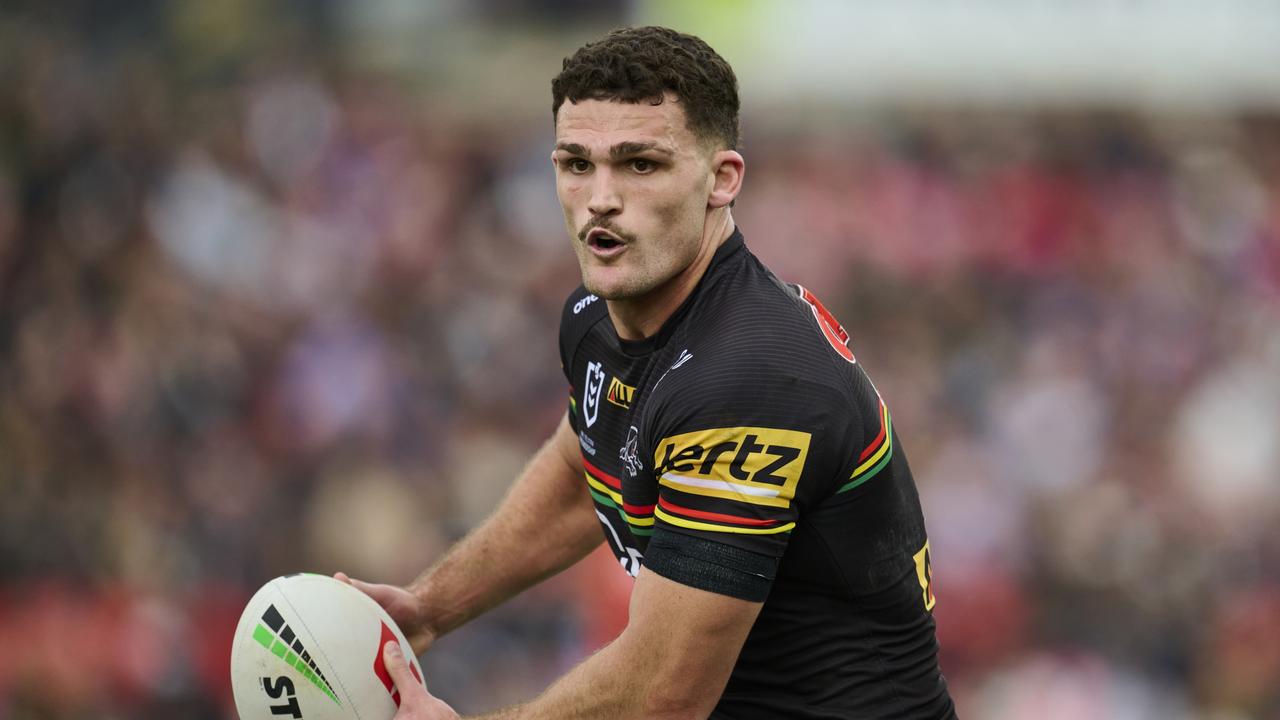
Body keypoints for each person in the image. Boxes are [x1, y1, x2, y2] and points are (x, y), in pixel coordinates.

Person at [341, 25, 957, 719]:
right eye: (577, 164)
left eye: (640, 165)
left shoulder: (752, 381)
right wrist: (427, 609)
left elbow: (662, 693)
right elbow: (583, 476)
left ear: (722, 179)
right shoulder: (597, 315)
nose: (600, 198)